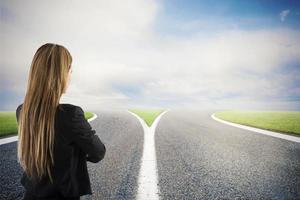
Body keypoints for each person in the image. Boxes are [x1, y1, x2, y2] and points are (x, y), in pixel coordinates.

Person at [15, 43, 106, 200]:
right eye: (70, 70)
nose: (71, 75)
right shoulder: (71, 114)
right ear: (61, 74)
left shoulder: (22, 111)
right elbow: (98, 152)